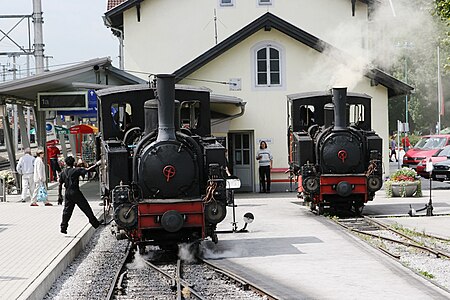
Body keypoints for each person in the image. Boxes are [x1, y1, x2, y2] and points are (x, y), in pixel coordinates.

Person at [58, 156, 100, 234]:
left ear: (66, 163)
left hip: (67, 193)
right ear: (73, 163)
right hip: (75, 192)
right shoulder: (76, 170)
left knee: (67, 211)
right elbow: (87, 170)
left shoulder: (63, 173)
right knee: (86, 207)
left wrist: (59, 196)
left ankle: (63, 227)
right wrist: (97, 165)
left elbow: (60, 184)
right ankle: (95, 223)